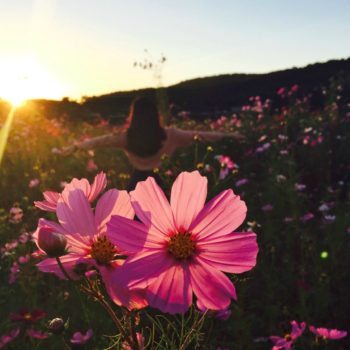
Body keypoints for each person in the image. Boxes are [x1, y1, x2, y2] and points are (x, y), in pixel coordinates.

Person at [62, 97, 243, 190]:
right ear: (155, 114)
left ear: (134, 116)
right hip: (164, 182)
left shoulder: (127, 137)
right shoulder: (171, 135)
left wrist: (75, 147)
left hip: (137, 183)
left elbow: (99, 142)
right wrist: (229, 135)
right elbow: (201, 135)